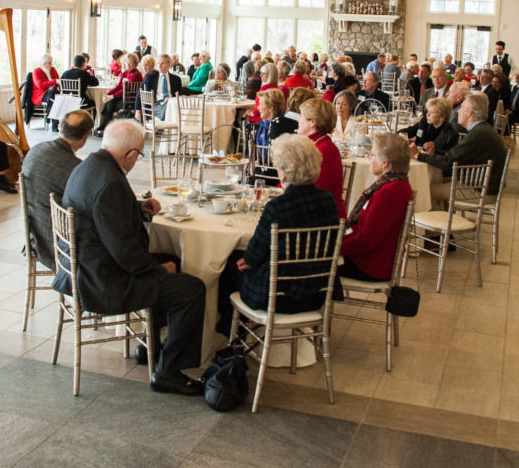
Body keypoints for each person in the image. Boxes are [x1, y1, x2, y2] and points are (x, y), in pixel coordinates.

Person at [54, 121, 207, 396]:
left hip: (82, 267)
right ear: (131, 155)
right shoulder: (111, 181)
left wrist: (137, 209)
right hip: (103, 281)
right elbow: (125, 252)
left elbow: (102, 215)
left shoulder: (88, 166)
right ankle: (169, 372)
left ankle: (151, 346)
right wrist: (158, 269)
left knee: (174, 260)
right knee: (191, 288)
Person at [217, 134, 342, 334]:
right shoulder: (328, 200)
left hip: (278, 297)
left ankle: (230, 337)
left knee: (225, 267)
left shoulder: (278, 206)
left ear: (283, 172)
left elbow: (253, 255)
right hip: (317, 293)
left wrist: (247, 259)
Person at [21, 109, 93, 269]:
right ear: (86, 138)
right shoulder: (75, 168)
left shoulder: (35, 150)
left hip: (34, 236)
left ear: (60, 127)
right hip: (59, 245)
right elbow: (92, 206)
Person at [338, 132, 414, 281]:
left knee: (310, 261)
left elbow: (365, 242)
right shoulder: (393, 184)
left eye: (372, 155)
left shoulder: (390, 192)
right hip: (371, 259)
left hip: (371, 266)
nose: (369, 158)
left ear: (384, 162)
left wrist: (332, 246)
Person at [412, 92, 508, 197]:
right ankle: (443, 212)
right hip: (479, 182)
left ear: (469, 112)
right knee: (434, 178)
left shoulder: (479, 134)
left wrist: (418, 156)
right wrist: (436, 152)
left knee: (425, 189)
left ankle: (438, 213)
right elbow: (456, 156)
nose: (458, 111)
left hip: (481, 191)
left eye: (461, 107)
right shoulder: (482, 129)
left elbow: (450, 162)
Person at [298, 98, 345, 218]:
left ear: (312, 122)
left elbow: (314, 191)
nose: (298, 120)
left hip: (322, 219)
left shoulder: (324, 150)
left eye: (301, 116)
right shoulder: (315, 144)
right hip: (309, 208)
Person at [96, 53, 143, 135]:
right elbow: (118, 86)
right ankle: (104, 127)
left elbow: (126, 90)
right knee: (109, 103)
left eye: (130, 62)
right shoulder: (125, 73)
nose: (128, 64)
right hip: (123, 97)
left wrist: (112, 96)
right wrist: (108, 94)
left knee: (110, 104)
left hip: (131, 100)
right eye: (126, 62)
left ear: (135, 64)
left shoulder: (136, 74)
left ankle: (104, 127)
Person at [137, 54, 182, 119]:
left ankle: (164, 124)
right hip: (156, 104)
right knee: (169, 109)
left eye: (162, 63)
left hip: (171, 104)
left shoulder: (176, 79)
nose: (159, 66)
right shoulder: (150, 77)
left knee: (171, 106)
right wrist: (138, 110)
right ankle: (170, 126)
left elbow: (179, 96)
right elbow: (140, 93)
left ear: (169, 65)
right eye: (158, 63)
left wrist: (170, 100)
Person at [32, 54, 60, 128]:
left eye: (51, 62)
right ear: (44, 63)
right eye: (49, 63)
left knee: (55, 96)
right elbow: (40, 85)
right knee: (54, 95)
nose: (51, 64)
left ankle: (48, 116)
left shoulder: (53, 69)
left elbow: (58, 81)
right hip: (41, 94)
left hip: (52, 94)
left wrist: (55, 82)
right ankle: (54, 125)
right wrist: (53, 81)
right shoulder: (36, 71)